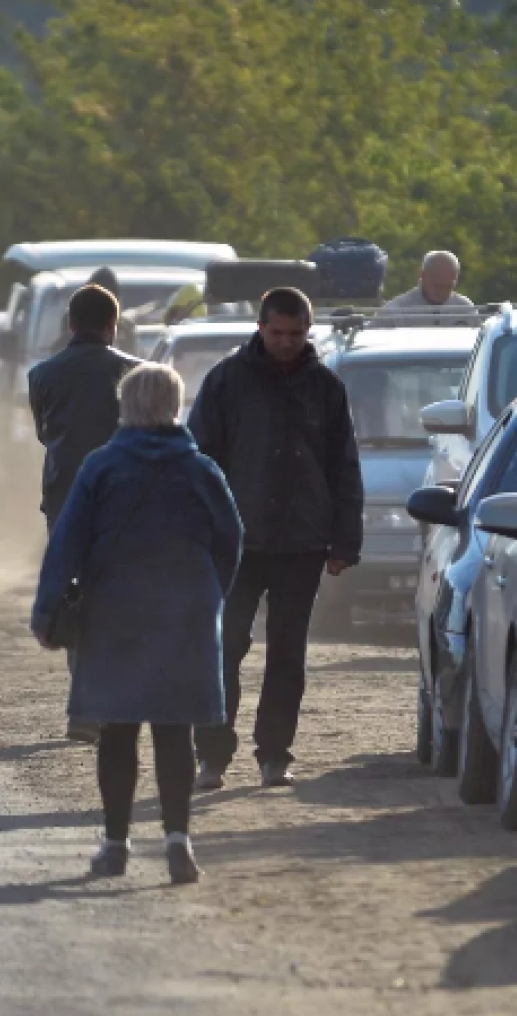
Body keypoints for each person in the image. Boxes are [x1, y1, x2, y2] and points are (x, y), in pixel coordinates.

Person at [32, 363, 242, 884]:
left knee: (118, 731)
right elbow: (230, 539)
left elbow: (67, 541)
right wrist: (211, 592)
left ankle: (115, 845)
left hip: (115, 610)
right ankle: (178, 843)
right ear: (175, 404)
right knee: (175, 729)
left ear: (125, 405)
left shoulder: (100, 466)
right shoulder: (202, 470)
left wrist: (46, 609)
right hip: (185, 611)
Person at [187, 288, 363, 789]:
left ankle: (274, 756)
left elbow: (343, 467)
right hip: (235, 544)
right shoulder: (225, 382)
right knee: (225, 648)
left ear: (308, 331)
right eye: (277, 333)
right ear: (260, 328)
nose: (286, 343)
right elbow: (199, 461)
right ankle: (213, 756)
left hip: (302, 544)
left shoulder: (325, 388)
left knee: (287, 652)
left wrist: (343, 542)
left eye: (296, 335)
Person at [30, 284, 142, 530]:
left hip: (63, 491)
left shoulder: (41, 374)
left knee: (67, 563)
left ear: (71, 324)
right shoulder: (136, 372)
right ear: (113, 323)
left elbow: (43, 434)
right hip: (121, 492)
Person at [381, 251, 474, 314]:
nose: (442, 292)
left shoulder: (465, 310)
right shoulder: (394, 311)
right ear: (422, 276)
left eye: (448, 286)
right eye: (437, 286)